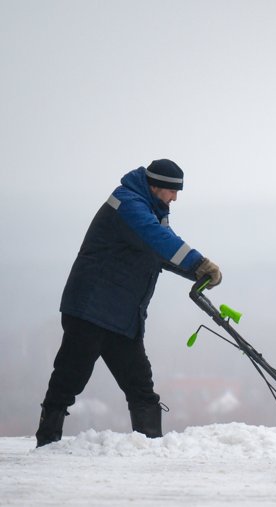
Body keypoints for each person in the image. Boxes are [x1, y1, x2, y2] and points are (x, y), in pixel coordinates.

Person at [35, 159, 222, 447]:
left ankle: (151, 448)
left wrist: (196, 272)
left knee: (140, 386)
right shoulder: (127, 205)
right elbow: (159, 240)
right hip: (90, 310)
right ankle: (47, 440)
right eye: (173, 191)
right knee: (70, 377)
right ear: (156, 186)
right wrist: (199, 262)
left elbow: (161, 251)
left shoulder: (151, 211)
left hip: (121, 317)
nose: (175, 198)